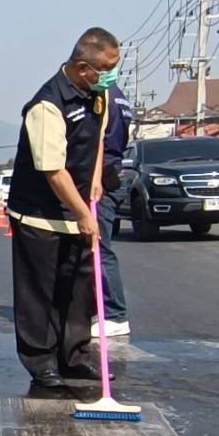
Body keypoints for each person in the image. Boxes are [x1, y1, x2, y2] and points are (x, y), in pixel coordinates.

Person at [8, 27, 116, 389]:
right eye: (107, 69)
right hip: (39, 214)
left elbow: (97, 140)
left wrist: (96, 179)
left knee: (77, 290)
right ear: (83, 68)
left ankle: (75, 356)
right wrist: (83, 213)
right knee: (39, 292)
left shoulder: (98, 95)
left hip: (79, 208)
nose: (112, 75)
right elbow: (53, 170)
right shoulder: (47, 105)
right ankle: (41, 360)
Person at [91, 79, 134, 338]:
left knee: (99, 248)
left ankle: (115, 314)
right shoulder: (119, 96)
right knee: (96, 247)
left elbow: (98, 141)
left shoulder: (103, 97)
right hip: (113, 173)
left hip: (103, 178)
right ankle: (98, 309)